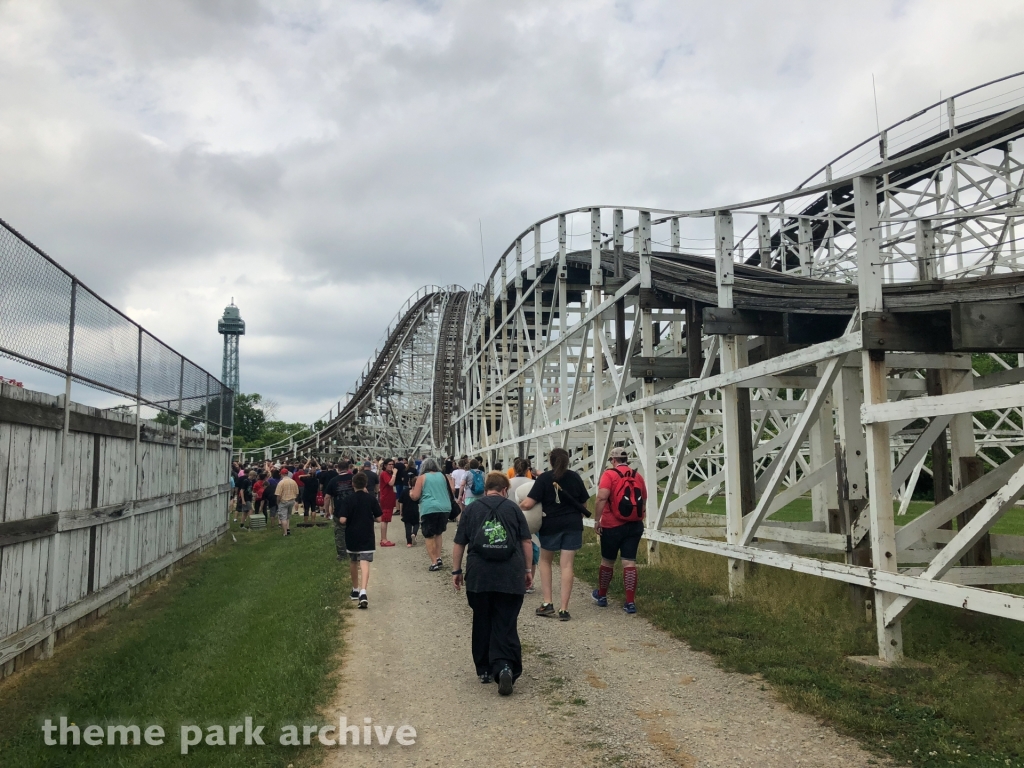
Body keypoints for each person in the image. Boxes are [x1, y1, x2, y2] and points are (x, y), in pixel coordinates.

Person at [452, 472, 533, 695]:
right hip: (510, 574)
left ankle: (484, 669)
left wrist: (456, 570)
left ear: (486, 489)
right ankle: (505, 665)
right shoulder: (513, 509)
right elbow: (526, 541)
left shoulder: (472, 510)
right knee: (505, 620)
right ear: (505, 489)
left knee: (482, 618)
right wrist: (527, 570)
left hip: (479, 575)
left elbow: (460, 543)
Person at [520, 447, 590, 621]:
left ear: (550, 461)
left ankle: (547, 603)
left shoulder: (544, 478)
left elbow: (528, 504)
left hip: (551, 525)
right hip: (573, 524)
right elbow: (584, 503)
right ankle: (564, 609)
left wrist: (518, 506)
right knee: (567, 565)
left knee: (545, 561)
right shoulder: (574, 477)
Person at [593, 447, 648, 614]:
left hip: (612, 525)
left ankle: (602, 596)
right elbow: (643, 499)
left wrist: (597, 520)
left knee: (608, 561)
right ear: (627, 460)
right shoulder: (637, 476)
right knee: (629, 562)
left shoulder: (609, 475)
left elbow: (602, 497)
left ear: (613, 460)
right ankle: (630, 602)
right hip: (634, 525)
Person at [336, 471, 382, 609]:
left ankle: (355, 589)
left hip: (352, 534)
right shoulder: (371, 499)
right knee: (365, 562)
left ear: (353, 484)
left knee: (354, 560)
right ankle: (363, 591)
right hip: (367, 534)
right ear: (366, 484)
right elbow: (379, 518)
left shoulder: (348, 500)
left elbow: (343, 520)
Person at [409, 458, 456, 571]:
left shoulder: (422, 478)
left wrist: (410, 492)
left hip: (430, 508)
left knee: (429, 535)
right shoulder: (444, 476)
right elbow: (453, 490)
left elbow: (415, 496)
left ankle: (434, 562)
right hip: (445, 507)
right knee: (438, 533)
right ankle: (438, 557)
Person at [327, 461, 355, 560]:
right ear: (348, 468)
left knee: (340, 533)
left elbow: (327, 497)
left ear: (338, 468)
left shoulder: (333, 481)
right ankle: (355, 552)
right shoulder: (354, 478)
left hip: (339, 510)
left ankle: (342, 555)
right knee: (355, 531)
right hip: (354, 510)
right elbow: (363, 491)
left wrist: (327, 510)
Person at [378, 458, 398, 546]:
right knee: (384, 519)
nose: (391, 466)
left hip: (389, 497)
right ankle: (383, 539)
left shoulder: (388, 474)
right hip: (385, 497)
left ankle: (384, 538)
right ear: (385, 465)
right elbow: (391, 483)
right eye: (390, 464)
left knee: (386, 519)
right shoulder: (384, 473)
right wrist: (394, 474)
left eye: (393, 464)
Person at [275, 468, 299, 536]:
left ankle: (285, 532)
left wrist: (277, 502)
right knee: (288, 516)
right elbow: (297, 492)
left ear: (282, 474)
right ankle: (288, 529)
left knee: (283, 517)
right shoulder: (293, 481)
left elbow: (278, 495)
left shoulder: (281, 482)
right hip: (292, 500)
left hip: (283, 501)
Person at [398, 483, 420, 547]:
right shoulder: (417, 492)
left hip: (406, 510)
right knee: (416, 523)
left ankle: (409, 542)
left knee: (407, 526)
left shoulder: (404, 491)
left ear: (409, 483)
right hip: (415, 510)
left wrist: (401, 511)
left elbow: (401, 502)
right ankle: (414, 533)